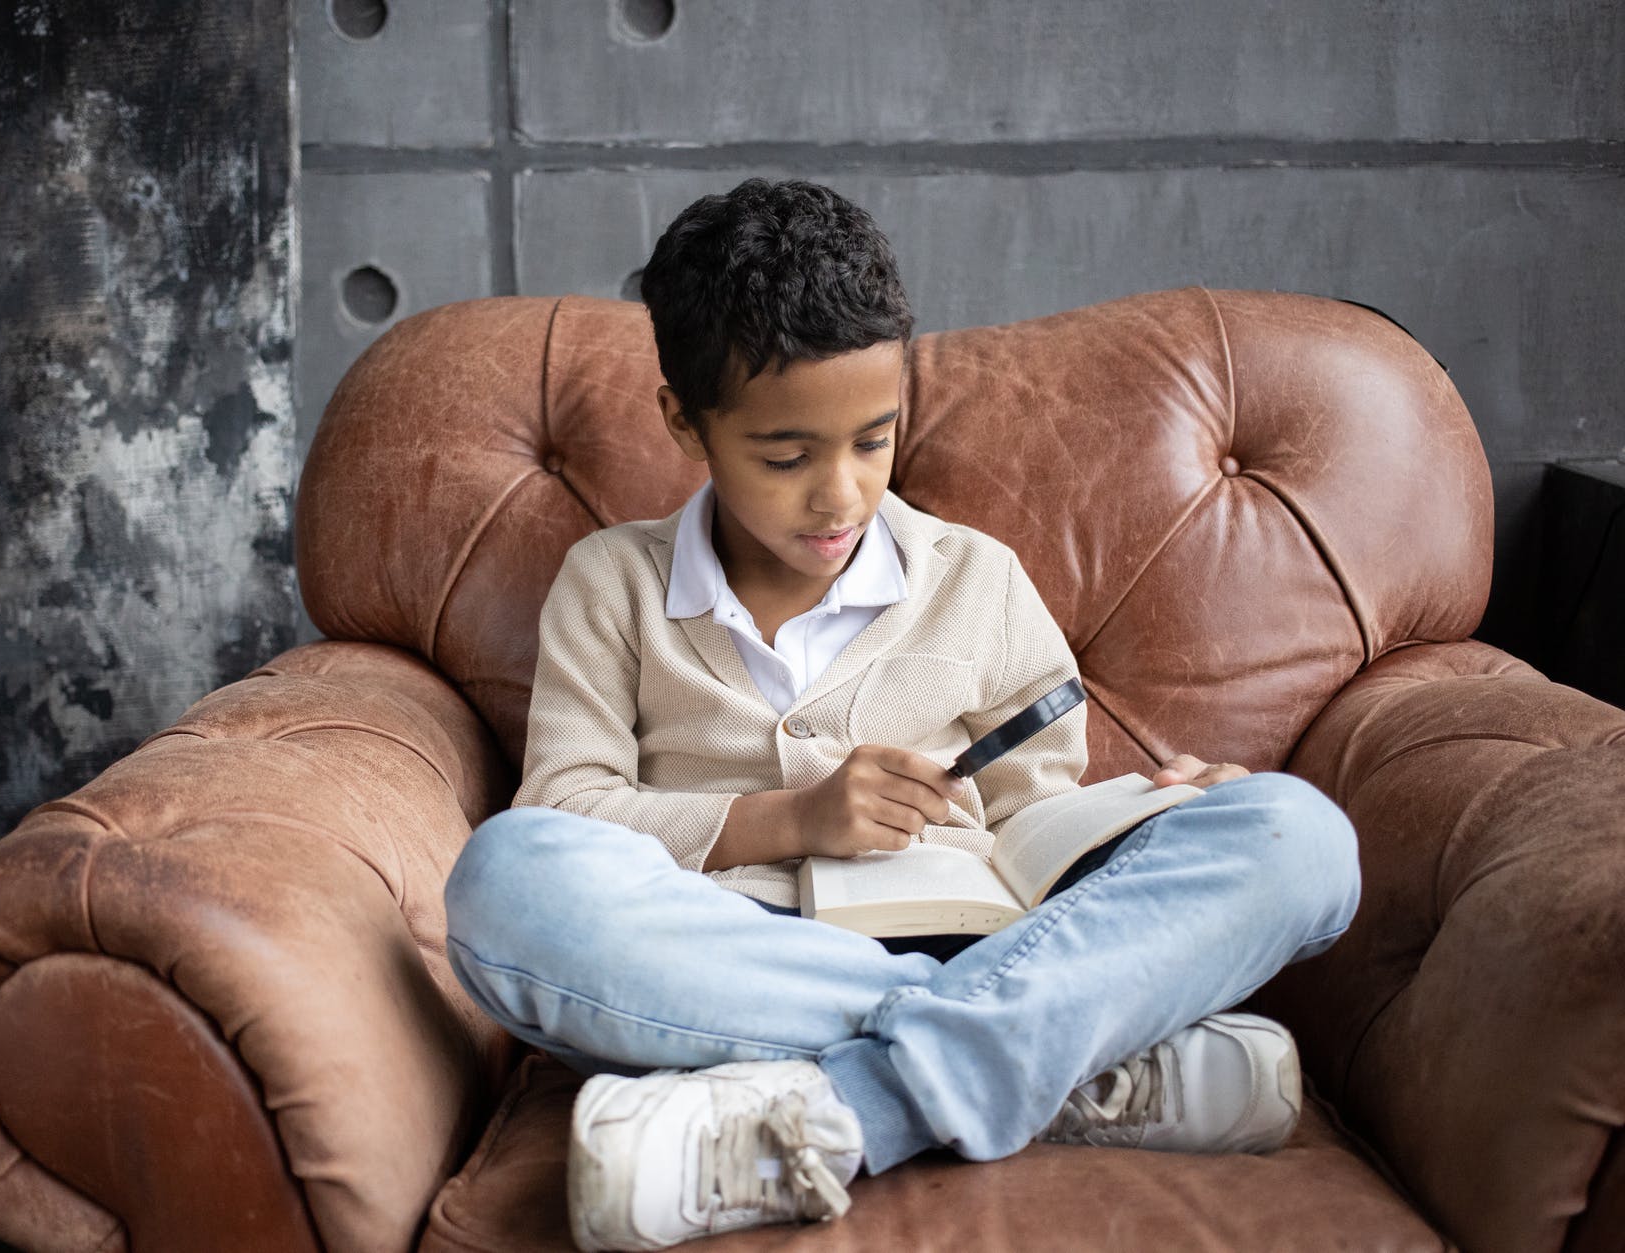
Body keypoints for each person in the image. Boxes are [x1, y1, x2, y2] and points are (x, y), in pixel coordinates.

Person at [443, 178, 1362, 1252]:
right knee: (504, 880)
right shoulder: (611, 584)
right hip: (730, 955)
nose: (839, 495)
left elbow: (1030, 830)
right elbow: (568, 804)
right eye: (785, 457)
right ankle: (1047, 1058)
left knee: (1300, 837)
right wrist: (786, 820)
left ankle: (851, 1106)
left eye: (872, 442)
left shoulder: (978, 578)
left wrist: (1143, 819)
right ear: (683, 424)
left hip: (982, 932)